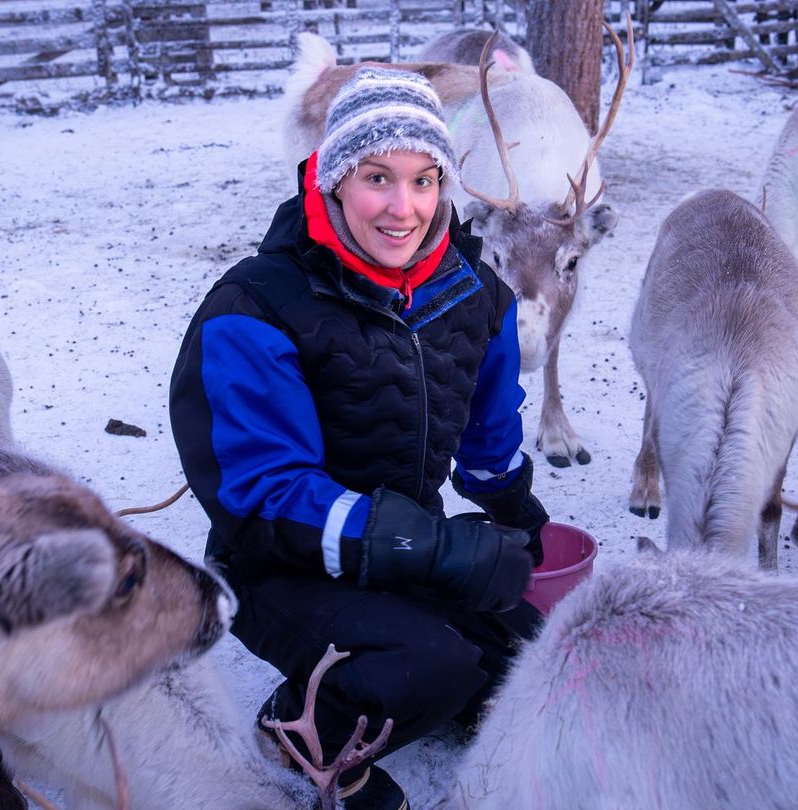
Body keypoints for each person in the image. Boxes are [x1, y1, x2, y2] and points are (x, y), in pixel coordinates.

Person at [169, 66, 550, 810]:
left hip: (403, 537)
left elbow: (489, 436)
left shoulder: (477, 296)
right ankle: (298, 737)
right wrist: (435, 550)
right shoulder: (257, 307)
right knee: (427, 665)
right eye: (378, 177)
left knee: (526, 647)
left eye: (423, 180)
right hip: (278, 563)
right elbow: (265, 496)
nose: (403, 208)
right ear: (335, 179)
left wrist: (517, 515)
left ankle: (440, 685)